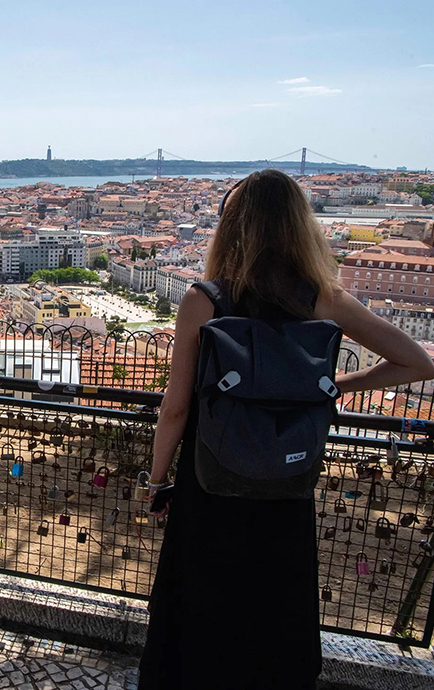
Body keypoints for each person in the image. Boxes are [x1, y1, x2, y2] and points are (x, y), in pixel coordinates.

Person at [138, 169, 434, 690]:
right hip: (286, 482)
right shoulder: (323, 298)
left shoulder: (205, 300)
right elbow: (417, 362)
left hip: (210, 483)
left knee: (199, 606)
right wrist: (338, 384)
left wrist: (158, 481)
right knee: (273, 607)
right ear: (300, 227)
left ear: (232, 228)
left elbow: (176, 408)